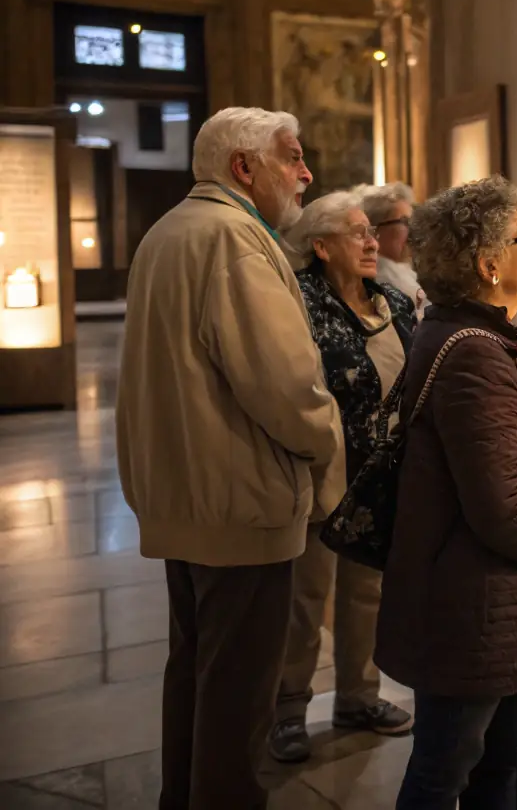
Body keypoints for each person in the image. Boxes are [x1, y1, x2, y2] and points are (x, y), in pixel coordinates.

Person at [116, 107, 343, 810]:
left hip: (187, 497)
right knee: (239, 696)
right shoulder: (235, 238)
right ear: (244, 168)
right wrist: (326, 443)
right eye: (292, 158)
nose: (305, 174)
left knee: (197, 674)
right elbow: (284, 383)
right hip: (240, 503)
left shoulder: (171, 230)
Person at [376, 176, 517, 809]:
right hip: (473, 605)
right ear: (489, 262)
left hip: (504, 598)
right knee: (451, 773)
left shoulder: (492, 335)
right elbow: (500, 507)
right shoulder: (474, 353)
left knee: (500, 764)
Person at [268, 190, 418, 763]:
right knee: (306, 597)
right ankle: (287, 710)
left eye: (371, 232)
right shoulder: (299, 304)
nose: (372, 241)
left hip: (383, 477)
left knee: (368, 591)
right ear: (321, 245)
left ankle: (359, 695)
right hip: (323, 472)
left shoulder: (393, 303)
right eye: (357, 233)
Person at [360, 182, 419, 304]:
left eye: (413, 221)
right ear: (375, 229)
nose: (413, 229)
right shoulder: (380, 278)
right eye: (404, 221)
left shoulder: (404, 269)